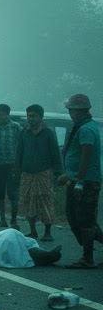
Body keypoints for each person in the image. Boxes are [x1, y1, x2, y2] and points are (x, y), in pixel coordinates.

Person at [57, 93, 102, 270]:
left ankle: (87, 258)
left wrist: (79, 180)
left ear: (82, 111)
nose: (70, 113)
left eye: (73, 110)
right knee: (75, 216)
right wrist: (70, 174)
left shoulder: (85, 129)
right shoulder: (82, 126)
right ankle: (87, 254)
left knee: (85, 220)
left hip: (85, 181)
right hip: (78, 178)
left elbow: (86, 155)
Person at [15, 103, 62, 242]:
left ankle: (47, 232)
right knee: (27, 201)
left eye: (33, 116)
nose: (30, 119)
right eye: (29, 116)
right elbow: (19, 153)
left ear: (41, 117)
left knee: (45, 202)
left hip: (44, 173)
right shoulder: (24, 133)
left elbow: (56, 154)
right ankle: (33, 231)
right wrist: (17, 170)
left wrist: (58, 174)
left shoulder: (48, 133)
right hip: (27, 173)